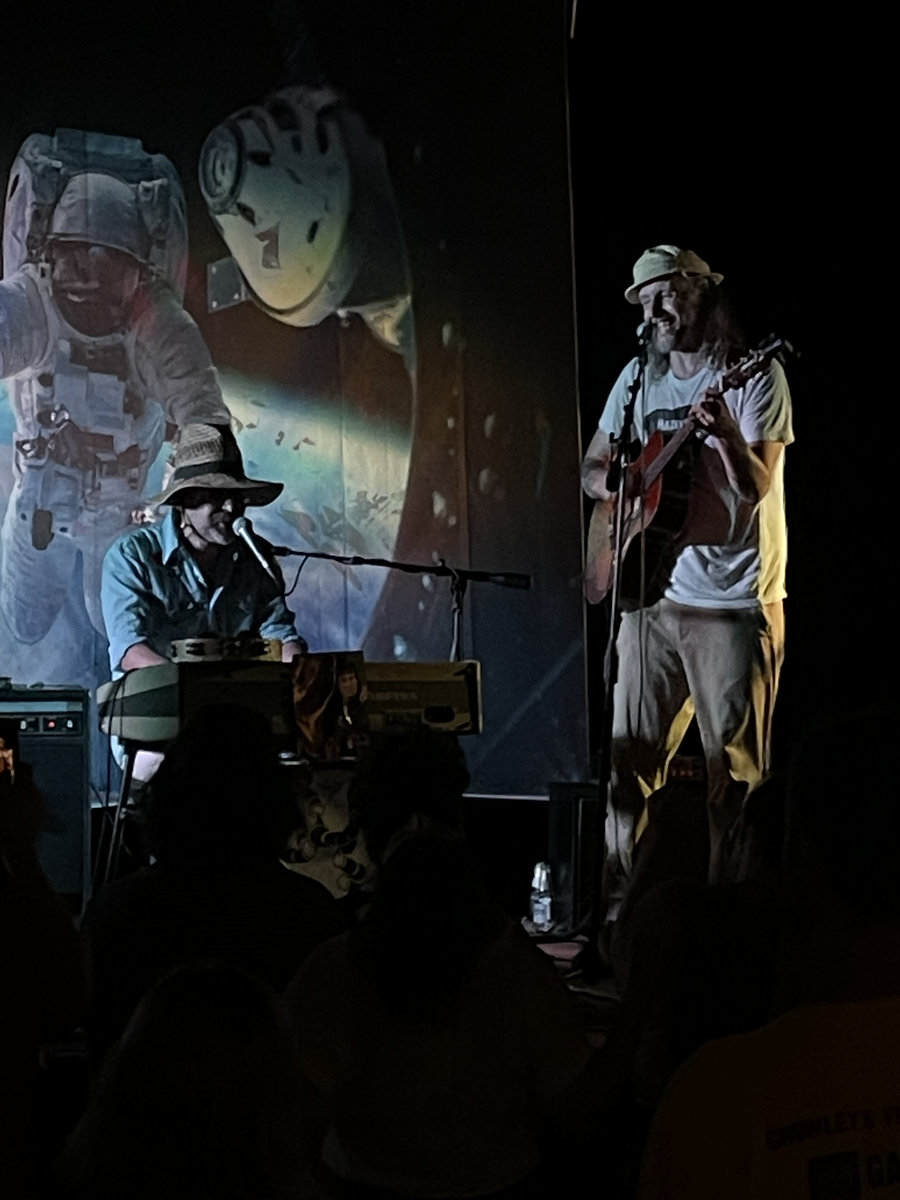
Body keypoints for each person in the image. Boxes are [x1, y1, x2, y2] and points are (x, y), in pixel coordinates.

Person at [581, 245, 793, 898]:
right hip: (650, 593)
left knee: (733, 781)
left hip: (731, 602)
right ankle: (627, 913)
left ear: (703, 293)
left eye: (668, 293)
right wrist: (622, 488)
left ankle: (729, 919)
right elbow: (592, 469)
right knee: (627, 766)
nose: (657, 309)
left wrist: (725, 435)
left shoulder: (754, 374)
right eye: (646, 299)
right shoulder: (636, 378)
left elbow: (756, 487)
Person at [0, 154, 231, 647]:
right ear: (50, 256)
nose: (90, 285)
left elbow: (202, 411)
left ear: (139, 274)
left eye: (109, 269)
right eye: (77, 263)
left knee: (126, 637)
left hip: (119, 513)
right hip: (41, 500)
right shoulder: (30, 304)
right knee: (24, 622)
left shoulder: (158, 324)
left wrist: (198, 495)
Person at [100, 421, 305, 673]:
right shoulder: (132, 556)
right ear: (187, 500)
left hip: (233, 695)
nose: (230, 508)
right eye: (217, 497)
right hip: (159, 696)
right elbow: (130, 650)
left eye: (237, 497)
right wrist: (192, 686)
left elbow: (279, 633)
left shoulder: (254, 556)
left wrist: (303, 675)